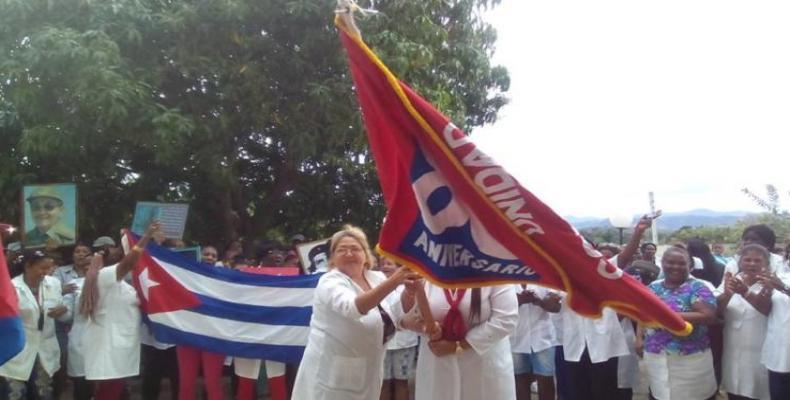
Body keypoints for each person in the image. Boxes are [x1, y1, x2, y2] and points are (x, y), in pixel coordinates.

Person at [292, 225, 419, 400]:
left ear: (366, 255)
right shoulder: (329, 281)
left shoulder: (377, 278)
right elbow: (353, 308)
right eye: (341, 250)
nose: (349, 253)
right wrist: (395, 280)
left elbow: (398, 312)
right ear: (333, 258)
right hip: (331, 375)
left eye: (355, 249)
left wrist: (409, 291)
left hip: (368, 372)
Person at [80, 222, 159, 400]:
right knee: (108, 392)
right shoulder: (103, 276)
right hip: (109, 347)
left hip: (121, 345)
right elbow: (128, 263)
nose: (118, 251)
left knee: (113, 391)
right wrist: (146, 237)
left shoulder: (121, 283)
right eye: (115, 250)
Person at [636, 247, 717, 400]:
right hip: (656, 354)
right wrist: (639, 338)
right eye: (670, 262)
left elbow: (708, 316)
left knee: (694, 395)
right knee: (660, 393)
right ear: (662, 263)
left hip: (689, 358)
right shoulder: (654, 287)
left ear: (690, 266)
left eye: (681, 263)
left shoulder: (698, 287)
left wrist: (666, 315)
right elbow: (642, 314)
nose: (675, 267)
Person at [0, 250, 68, 399]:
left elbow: (63, 311)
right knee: (15, 393)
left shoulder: (54, 283)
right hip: (18, 348)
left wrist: (63, 310)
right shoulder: (12, 287)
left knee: (43, 393)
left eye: (49, 268)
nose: (46, 272)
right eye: (42, 268)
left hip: (45, 347)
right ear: (28, 267)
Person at [717, 243, 771, 400]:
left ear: (766, 263)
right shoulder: (732, 280)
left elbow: (767, 309)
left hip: (760, 348)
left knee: (760, 389)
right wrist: (727, 294)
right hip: (733, 347)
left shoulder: (772, 283)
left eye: (757, 260)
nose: (752, 264)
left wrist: (745, 292)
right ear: (740, 262)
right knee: (735, 388)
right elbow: (718, 312)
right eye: (747, 260)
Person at [51, 242, 92, 398]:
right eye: (77, 251)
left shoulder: (101, 276)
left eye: (85, 251)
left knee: (88, 375)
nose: (81, 254)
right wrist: (62, 290)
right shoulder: (61, 272)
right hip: (61, 327)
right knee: (62, 368)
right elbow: (50, 291)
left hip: (90, 331)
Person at [378, 256, 419, 400]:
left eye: (389, 263)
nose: (385, 266)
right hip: (382, 344)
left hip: (404, 342)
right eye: (382, 264)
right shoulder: (375, 286)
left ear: (399, 267)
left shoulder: (408, 286)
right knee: (383, 383)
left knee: (401, 383)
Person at [511, 284, 560, 400]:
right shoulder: (507, 276)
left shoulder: (542, 274)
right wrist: (519, 300)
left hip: (542, 338)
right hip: (516, 338)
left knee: (545, 380)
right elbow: (500, 306)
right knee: (519, 380)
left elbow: (556, 307)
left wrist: (538, 301)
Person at [757, 266, 790, 399]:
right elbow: (767, 308)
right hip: (779, 348)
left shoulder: (781, 282)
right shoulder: (781, 275)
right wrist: (768, 290)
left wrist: (783, 288)